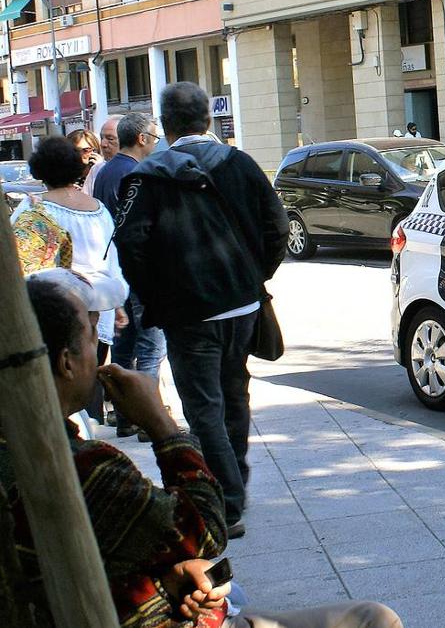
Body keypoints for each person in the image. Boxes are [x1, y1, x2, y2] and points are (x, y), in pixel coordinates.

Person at [4, 272, 402, 628]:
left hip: (150, 598)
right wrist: (160, 422)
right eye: (93, 339)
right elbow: (206, 530)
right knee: (374, 619)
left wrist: (167, 577)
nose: (101, 351)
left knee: (232, 589)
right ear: (66, 363)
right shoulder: (84, 470)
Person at [113, 82, 287, 540]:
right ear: (208, 119)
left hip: (189, 313)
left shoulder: (147, 177)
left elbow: (131, 244)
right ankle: (236, 487)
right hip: (243, 305)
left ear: (164, 125)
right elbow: (279, 225)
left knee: (204, 406)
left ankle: (228, 503)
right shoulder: (242, 164)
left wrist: (155, 297)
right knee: (234, 395)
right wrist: (255, 276)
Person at [10, 136, 129, 384]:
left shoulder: (34, 210)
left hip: (53, 308)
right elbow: (112, 260)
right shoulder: (98, 208)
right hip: (98, 304)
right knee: (90, 372)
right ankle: (93, 418)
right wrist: (118, 306)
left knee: (59, 378)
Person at [95, 113, 167, 439]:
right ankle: (148, 419)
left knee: (123, 348)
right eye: (154, 136)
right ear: (141, 138)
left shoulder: (106, 172)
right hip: (140, 272)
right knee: (151, 347)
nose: (156, 141)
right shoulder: (138, 174)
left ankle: (123, 416)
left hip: (117, 272)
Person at [83, 115, 123, 195]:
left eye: (110, 139)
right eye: (102, 138)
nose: (103, 144)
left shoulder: (141, 169)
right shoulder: (97, 170)